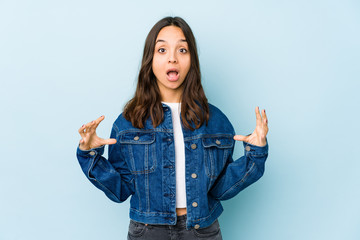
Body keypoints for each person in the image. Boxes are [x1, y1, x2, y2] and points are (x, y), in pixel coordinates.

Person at [76, 16, 269, 240]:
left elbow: (220, 189)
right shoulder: (129, 121)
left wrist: (255, 154)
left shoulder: (215, 120)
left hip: (201, 231)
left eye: (182, 50)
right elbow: (120, 190)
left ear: (192, 60)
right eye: (162, 50)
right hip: (147, 231)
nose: (173, 59)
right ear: (150, 60)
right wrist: (90, 154)